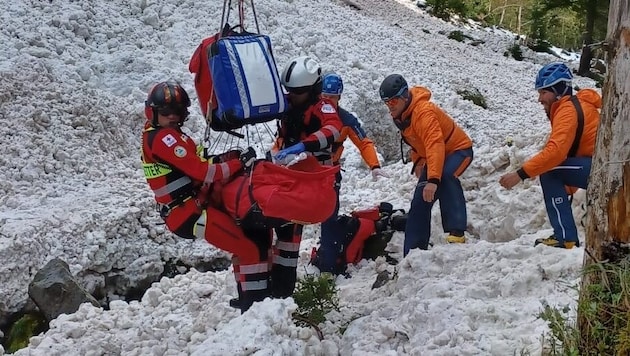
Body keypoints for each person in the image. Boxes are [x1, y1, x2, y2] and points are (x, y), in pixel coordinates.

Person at [140, 81, 270, 312]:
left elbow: (199, 163)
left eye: (177, 112)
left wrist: (224, 158)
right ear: (153, 112)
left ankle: (248, 299)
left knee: (245, 244)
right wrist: (237, 163)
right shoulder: (164, 139)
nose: (172, 116)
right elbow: (204, 172)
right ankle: (255, 309)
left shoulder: (172, 136)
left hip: (191, 208)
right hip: (189, 213)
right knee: (248, 250)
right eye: (166, 112)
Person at [499, 62, 601, 249]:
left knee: (549, 171)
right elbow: (571, 154)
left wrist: (519, 175)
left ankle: (565, 238)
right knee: (551, 170)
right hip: (600, 166)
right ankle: (566, 236)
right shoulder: (572, 106)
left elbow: (556, 153)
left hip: (601, 169)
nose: (539, 99)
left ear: (559, 91)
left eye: (543, 92)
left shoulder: (567, 111)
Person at [270, 56, 343, 297]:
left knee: (294, 228)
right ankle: (277, 286)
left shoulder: (323, 107)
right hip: (289, 173)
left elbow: (332, 129)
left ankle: (286, 288)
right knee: (283, 230)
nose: (292, 96)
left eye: (298, 92)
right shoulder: (288, 102)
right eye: (289, 91)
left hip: (313, 178)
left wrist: (304, 145)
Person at [379, 74, 474, 256]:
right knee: (419, 201)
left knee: (446, 176)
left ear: (404, 96)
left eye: (392, 102)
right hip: (434, 157)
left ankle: (457, 232)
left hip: (458, 150)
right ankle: (414, 252)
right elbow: (417, 143)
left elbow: (435, 143)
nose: (389, 107)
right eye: (386, 103)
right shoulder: (403, 116)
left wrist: (433, 179)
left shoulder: (423, 112)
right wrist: (419, 162)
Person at [313, 72, 390, 274]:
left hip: (329, 173)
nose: (326, 101)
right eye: (324, 96)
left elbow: (364, 142)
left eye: (331, 97)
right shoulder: (309, 115)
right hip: (306, 173)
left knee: (329, 218)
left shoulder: (346, 120)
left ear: (339, 97)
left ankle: (329, 265)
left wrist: (374, 165)